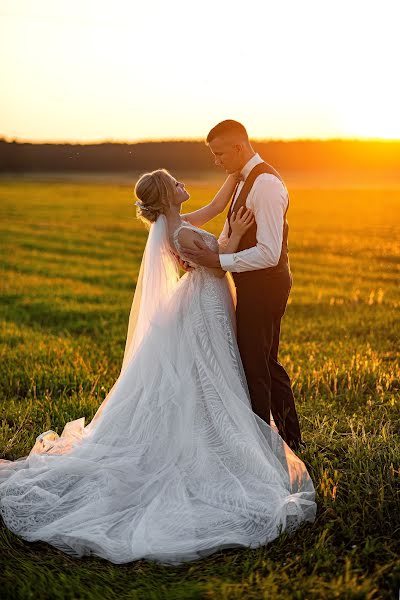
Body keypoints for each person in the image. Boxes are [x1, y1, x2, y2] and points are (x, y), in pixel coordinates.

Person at [0, 169, 316, 565]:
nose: (185, 184)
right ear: (167, 196)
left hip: (208, 301)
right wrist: (232, 237)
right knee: (211, 372)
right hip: (206, 305)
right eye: (177, 183)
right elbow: (218, 266)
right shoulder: (181, 233)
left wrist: (236, 177)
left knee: (215, 372)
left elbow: (215, 213)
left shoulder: (178, 225)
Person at [181, 120, 302, 450]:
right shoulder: (240, 179)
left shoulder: (265, 185)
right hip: (253, 285)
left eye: (219, 154)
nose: (216, 161)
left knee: (257, 366)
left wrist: (219, 262)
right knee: (262, 362)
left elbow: (269, 252)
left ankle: (268, 445)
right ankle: (287, 440)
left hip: (266, 286)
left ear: (238, 148)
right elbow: (227, 225)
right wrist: (215, 250)